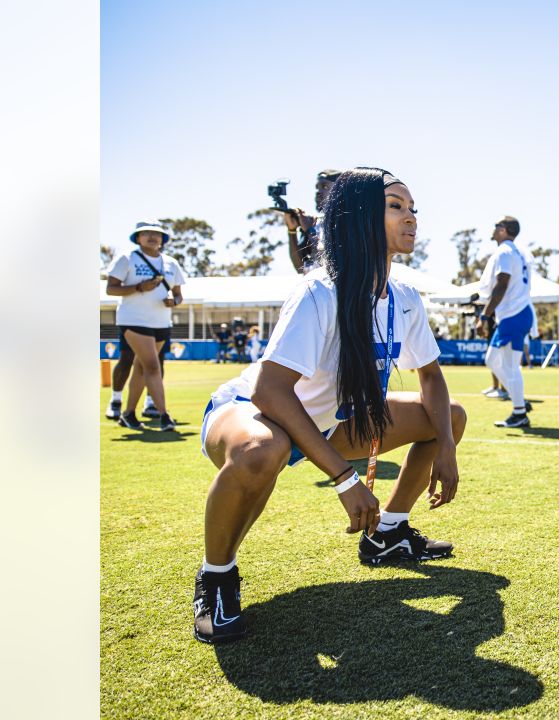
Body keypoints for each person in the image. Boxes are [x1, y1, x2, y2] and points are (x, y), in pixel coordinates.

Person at [194, 168, 465, 644]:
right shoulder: (319, 290)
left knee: (449, 417)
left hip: (328, 424)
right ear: (362, 216)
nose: (412, 218)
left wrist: (446, 447)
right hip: (257, 414)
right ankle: (216, 576)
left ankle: (389, 535)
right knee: (262, 451)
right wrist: (345, 478)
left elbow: (431, 377)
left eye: (413, 208)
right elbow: (269, 391)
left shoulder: (402, 295)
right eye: (396, 206)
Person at [105, 221, 185, 431]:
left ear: (163, 240)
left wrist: (173, 302)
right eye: (147, 233)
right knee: (151, 365)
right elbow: (111, 289)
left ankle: (129, 414)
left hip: (161, 321)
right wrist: (139, 287)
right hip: (133, 320)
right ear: (137, 238)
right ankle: (164, 416)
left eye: (157, 234)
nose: (152, 237)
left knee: (141, 368)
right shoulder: (127, 258)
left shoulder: (171, 263)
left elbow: (178, 295)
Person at [475, 216, 535, 428]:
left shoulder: (505, 251)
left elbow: (502, 285)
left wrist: (484, 316)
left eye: (497, 225)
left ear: (505, 230)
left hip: (513, 315)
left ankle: (519, 411)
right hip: (517, 314)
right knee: (497, 362)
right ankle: (519, 403)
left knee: (505, 364)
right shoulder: (517, 252)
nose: (493, 228)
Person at [281, 169, 341, 273]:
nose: (318, 192)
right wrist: (292, 231)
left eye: (325, 187)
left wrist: (310, 231)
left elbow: (330, 264)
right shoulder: (315, 223)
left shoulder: (348, 224)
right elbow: (300, 268)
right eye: (317, 188)